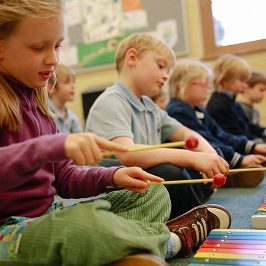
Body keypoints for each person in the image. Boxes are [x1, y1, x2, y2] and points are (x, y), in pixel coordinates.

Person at [0, 1, 232, 265]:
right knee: (83, 224)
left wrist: (114, 175)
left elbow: (63, 177)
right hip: (8, 233)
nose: (53, 58)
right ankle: (170, 242)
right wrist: (52, 146)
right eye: (38, 47)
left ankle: (121, 245)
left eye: (57, 46)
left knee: (152, 192)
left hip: (48, 215)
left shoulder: (39, 106)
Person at [86, 33, 229, 219]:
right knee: (171, 172)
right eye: (161, 66)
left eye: (168, 71)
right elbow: (129, 154)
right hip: (117, 184)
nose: (166, 76)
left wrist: (209, 156)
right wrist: (192, 158)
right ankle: (188, 217)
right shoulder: (110, 101)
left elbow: (188, 135)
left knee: (208, 155)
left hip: (146, 178)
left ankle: (189, 207)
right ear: (132, 58)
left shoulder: (150, 105)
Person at [166, 59, 266, 187]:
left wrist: (250, 148)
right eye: (204, 85)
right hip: (190, 165)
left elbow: (220, 134)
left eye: (209, 86)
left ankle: (229, 171)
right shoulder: (178, 111)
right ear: (183, 85)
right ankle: (228, 175)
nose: (208, 90)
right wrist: (239, 159)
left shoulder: (198, 109)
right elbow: (206, 141)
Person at [207, 54, 266, 144]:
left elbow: (248, 126)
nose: (245, 85)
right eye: (242, 81)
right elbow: (233, 133)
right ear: (225, 80)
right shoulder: (219, 105)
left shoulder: (232, 102)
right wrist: (258, 142)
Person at [48, 64, 81, 133]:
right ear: (52, 87)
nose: (73, 86)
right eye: (67, 82)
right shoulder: (45, 112)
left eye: (73, 82)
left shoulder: (73, 118)